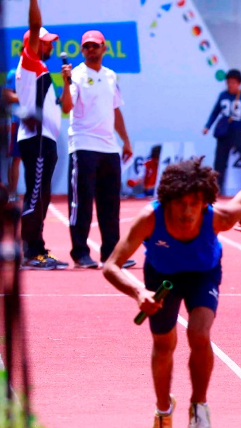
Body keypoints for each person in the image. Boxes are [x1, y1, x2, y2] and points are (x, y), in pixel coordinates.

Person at [102, 160, 241, 428]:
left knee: (199, 335)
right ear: (167, 201)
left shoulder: (221, 217)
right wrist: (139, 292)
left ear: (205, 202)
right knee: (164, 345)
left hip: (203, 275)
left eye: (195, 203)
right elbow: (111, 266)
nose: (188, 211)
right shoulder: (150, 218)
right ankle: (163, 411)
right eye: (180, 204)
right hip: (160, 277)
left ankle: (198, 404)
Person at [61, 30, 136, 269]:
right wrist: (65, 82)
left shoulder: (111, 76)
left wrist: (125, 140)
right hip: (83, 145)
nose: (91, 50)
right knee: (81, 203)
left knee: (110, 204)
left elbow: (116, 110)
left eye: (95, 46)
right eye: (87, 47)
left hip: (109, 147)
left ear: (104, 48)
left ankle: (111, 253)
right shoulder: (76, 76)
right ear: (82, 50)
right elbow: (66, 107)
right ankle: (81, 253)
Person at [16, 0, 67, 270]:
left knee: (43, 196)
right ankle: (30, 252)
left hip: (44, 141)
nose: (50, 46)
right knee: (36, 196)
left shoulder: (41, 69)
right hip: (35, 140)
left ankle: (38, 249)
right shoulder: (29, 61)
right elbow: (35, 25)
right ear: (34, 44)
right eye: (46, 42)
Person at [202, 69, 241, 195]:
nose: (230, 85)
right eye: (228, 82)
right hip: (225, 132)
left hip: (240, 131)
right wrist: (207, 126)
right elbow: (215, 112)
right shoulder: (223, 96)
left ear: (239, 83)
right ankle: (217, 189)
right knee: (220, 161)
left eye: (233, 82)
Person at [5, 70, 21, 203]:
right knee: (15, 159)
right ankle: (12, 192)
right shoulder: (14, 73)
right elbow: (7, 95)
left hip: (36, 124)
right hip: (18, 122)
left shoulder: (40, 72)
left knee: (36, 160)